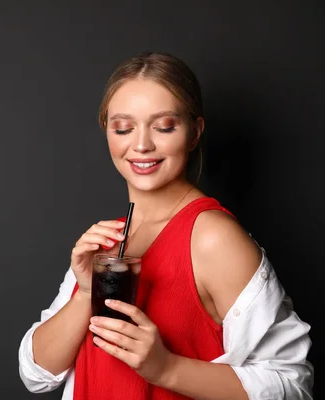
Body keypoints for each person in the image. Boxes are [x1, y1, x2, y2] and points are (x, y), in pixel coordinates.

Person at [17, 51, 313, 400]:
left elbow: (292, 386)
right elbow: (36, 374)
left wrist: (166, 368)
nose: (141, 145)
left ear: (194, 132)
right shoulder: (110, 239)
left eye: (164, 126)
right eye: (123, 128)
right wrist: (85, 293)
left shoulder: (213, 238)